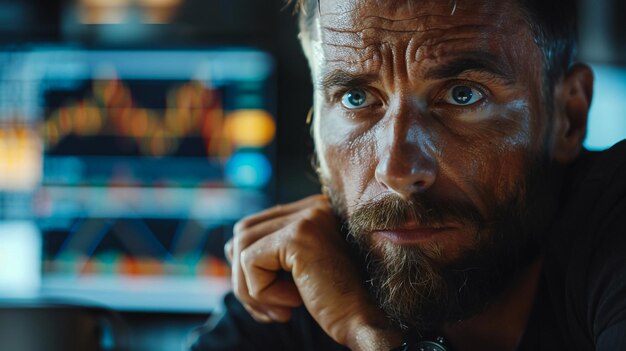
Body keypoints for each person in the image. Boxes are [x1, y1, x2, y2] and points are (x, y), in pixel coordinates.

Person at [190, 0, 626, 350]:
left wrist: (369, 337)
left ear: (568, 115)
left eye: (462, 95)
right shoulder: (306, 275)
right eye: (356, 97)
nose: (396, 171)